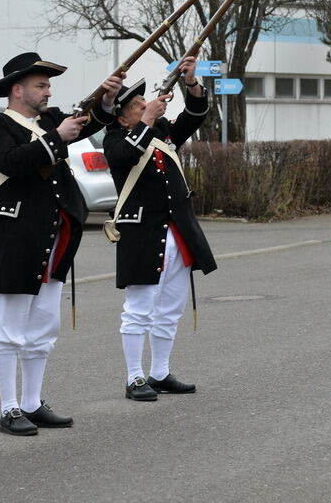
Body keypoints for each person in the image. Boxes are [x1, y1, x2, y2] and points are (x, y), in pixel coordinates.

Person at [0, 53, 121, 436]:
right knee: (7, 328)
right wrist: (57, 139)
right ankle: (8, 408)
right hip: (12, 236)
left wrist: (105, 101)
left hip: (51, 238)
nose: (48, 91)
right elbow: (9, 162)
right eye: (41, 85)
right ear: (17, 89)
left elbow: (90, 122)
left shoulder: (50, 119)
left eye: (48, 85)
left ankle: (32, 402)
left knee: (42, 327)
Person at [102, 57, 217, 402]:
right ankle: (135, 376)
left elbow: (195, 115)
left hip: (176, 231)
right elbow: (126, 155)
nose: (145, 106)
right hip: (142, 231)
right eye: (137, 105)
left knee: (170, 308)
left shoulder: (160, 131)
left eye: (144, 103)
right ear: (122, 115)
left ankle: (160, 371)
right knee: (138, 309)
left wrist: (191, 83)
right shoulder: (114, 138)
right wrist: (149, 119)